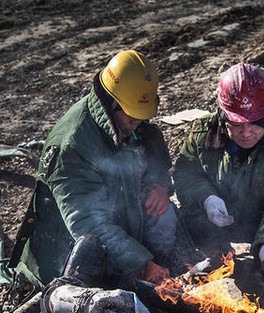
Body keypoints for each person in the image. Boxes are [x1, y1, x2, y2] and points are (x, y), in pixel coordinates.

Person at [13, 50, 176, 288]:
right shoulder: (73, 145)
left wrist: (160, 185)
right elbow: (87, 223)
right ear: (111, 102)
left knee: (165, 214)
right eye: (132, 117)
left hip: (117, 215)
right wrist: (141, 262)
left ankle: (152, 266)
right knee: (92, 290)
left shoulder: (127, 116)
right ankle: (136, 271)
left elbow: (152, 144)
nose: (136, 123)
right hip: (69, 247)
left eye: (140, 116)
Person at [173, 63, 264, 289]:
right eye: (237, 123)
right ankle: (220, 256)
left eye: (256, 122)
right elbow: (186, 173)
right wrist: (207, 199)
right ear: (222, 114)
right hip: (225, 216)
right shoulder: (203, 133)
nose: (246, 132)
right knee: (181, 222)